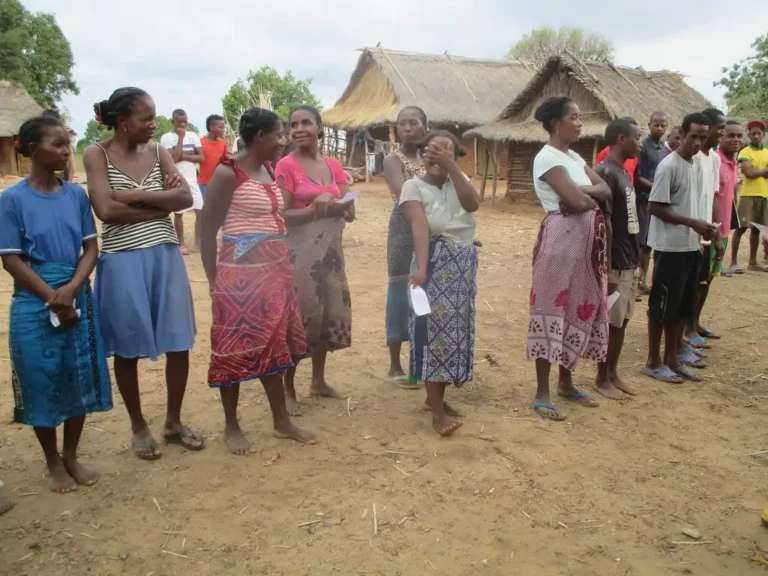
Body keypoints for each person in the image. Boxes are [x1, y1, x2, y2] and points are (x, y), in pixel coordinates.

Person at [83, 87, 202, 460]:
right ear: (122, 122)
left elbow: (185, 200)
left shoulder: (159, 152)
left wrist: (131, 196)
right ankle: (138, 426)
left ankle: (173, 422)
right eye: (146, 118)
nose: (154, 125)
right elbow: (105, 211)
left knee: (178, 341)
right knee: (127, 346)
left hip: (165, 256)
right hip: (121, 260)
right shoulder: (96, 154)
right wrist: (157, 204)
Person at [0, 115, 112, 492]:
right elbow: (11, 259)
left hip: (76, 292)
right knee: (41, 379)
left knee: (79, 375)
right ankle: (52, 460)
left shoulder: (75, 195)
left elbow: (90, 246)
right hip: (34, 300)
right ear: (34, 150)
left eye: (68, 144)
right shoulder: (12, 199)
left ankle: (71, 455)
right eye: (59, 145)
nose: (67, 151)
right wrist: (51, 297)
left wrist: (72, 289)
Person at [201, 108, 315, 453]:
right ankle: (231, 425)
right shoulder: (227, 173)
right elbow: (206, 230)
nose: (284, 140)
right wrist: (213, 280)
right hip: (239, 277)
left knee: (273, 344)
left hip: (273, 272)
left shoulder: (267, 170)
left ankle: (281, 421)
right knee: (233, 349)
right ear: (259, 138)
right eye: (279, 134)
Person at [526, 96, 611, 421]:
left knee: (577, 306)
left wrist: (578, 193)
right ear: (555, 123)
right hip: (560, 244)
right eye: (574, 117)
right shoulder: (546, 158)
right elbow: (576, 203)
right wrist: (580, 195)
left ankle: (566, 383)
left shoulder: (572, 155)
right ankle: (542, 393)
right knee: (551, 309)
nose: (579, 123)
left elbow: (604, 190)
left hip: (585, 247)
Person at [275, 106, 355, 414]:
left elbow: (349, 204)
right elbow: (282, 215)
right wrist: (314, 209)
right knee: (301, 318)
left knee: (327, 312)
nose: (299, 129)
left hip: (330, 254)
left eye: (306, 122)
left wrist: (344, 207)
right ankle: (288, 387)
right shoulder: (286, 165)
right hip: (300, 257)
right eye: (293, 124)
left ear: (319, 128)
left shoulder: (333, 165)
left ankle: (318, 381)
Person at [400, 129, 479, 436]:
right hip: (433, 263)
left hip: (462, 266)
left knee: (454, 332)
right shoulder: (412, 186)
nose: (438, 158)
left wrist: (453, 167)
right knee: (433, 333)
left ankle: (436, 400)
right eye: (432, 152)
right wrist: (420, 269)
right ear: (422, 155)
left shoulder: (459, 183)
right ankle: (436, 411)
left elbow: (473, 205)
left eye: (446, 152)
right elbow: (420, 226)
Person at [642, 112, 717, 384]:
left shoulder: (695, 164)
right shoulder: (669, 166)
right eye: (693, 135)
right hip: (670, 248)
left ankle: (672, 358)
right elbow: (655, 206)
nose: (698, 141)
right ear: (682, 134)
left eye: (702, 137)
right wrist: (692, 222)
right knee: (661, 307)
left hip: (690, 246)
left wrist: (701, 226)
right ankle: (652, 361)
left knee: (681, 308)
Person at [593, 118, 641, 400]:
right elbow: (604, 225)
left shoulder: (623, 173)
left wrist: (637, 258)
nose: (639, 142)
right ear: (622, 139)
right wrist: (608, 267)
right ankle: (601, 377)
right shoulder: (605, 173)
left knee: (622, 321)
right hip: (617, 260)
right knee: (611, 323)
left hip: (630, 257)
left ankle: (613, 372)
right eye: (636, 137)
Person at [382, 106, 428, 387]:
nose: (407, 128)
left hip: (431, 228)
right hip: (402, 229)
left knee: (424, 291)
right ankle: (395, 364)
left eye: (413, 123)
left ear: (426, 126)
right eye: (402, 124)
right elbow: (404, 193)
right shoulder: (392, 159)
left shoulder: (429, 156)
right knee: (400, 292)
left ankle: (420, 361)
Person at [683, 108, 725, 350]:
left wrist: (717, 234)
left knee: (703, 281)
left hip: (708, 230)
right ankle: (687, 329)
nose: (721, 133)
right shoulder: (694, 158)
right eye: (719, 128)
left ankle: (695, 324)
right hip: (692, 231)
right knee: (690, 283)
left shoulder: (715, 158)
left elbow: (713, 197)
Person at [160, 109, 204, 254]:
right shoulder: (166, 138)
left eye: (185, 121)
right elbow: (173, 159)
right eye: (180, 121)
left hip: (192, 180)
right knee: (179, 214)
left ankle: (199, 242)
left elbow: (201, 158)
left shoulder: (193, 136)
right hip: (177, 180)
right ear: (173, 122)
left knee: (200, 211)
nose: (183, 124)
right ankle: (181, 244)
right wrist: (180, 138)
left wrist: (183, 156)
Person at [634, 112, 669, 295]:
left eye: (663, 125)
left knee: (649, 244)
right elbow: (637, 177)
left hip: (656, 201)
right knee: (642, 243)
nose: (659, 128)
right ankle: (637, 282)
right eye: (656, 124)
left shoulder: (662, 147)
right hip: (643, 200)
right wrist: (656, 187)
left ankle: (642, 282)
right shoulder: (643, 147)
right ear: (649, 125)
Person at [730, 120, 768, 272]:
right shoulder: (745, 152)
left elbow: (753, 171)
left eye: (759, 133)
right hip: (748, 195)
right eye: (753, 134)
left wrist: (757, 170)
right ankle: (733, 261)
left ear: (764, 135)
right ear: (749, 135)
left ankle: (753, 262)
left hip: (764, 195)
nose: (756, 136)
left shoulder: (766, 151)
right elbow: (749, 173)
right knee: (741, 228)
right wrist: (763, 171)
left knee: (758, 229)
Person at [718, 121, 743, 276]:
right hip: (711, 230)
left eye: (739, 136)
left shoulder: (733, 163)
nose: (736, 139)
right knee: (703, 279)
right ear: (721, 137)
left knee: (711, 277)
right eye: (731, 135)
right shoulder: (715, 161)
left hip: (724, 228)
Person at [594, 116, 639, 183]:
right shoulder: (605, 155)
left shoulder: (634, 158)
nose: (640, 144)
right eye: (637, 138)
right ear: (622, 138)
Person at [199, 114, 228, 199]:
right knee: (205, 209)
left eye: (223, 127)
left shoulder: (223, 143)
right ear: (211, 128)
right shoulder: (200, 143)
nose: (223, 130)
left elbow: (226, 162)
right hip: (204, 184)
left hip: (219, 183)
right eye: (221, 127)